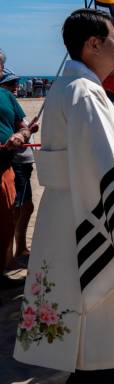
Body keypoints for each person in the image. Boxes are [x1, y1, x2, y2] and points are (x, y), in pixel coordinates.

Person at [13, 9, 114, 383]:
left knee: (85, 325)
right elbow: (101, 159)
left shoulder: (72, 87)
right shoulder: (84, 92)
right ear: (92, 44)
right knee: (104, 329)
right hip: (95, 214)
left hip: (73, 207)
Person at [0, 64, 32, 288]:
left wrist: (21, 134)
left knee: (6, 223)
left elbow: (25, 127)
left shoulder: (5, 96)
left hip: (5, 169)